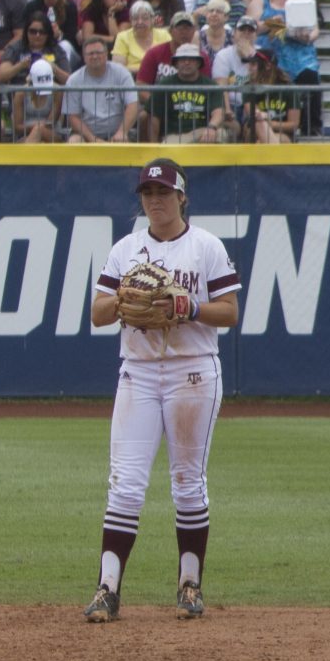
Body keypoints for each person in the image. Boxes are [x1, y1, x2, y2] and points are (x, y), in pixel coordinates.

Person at [84, 159, 241, 623]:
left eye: (164, 192)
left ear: (182, 197)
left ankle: (189, 583)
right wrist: (122, 301)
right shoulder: (126, 249)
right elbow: (97, 312)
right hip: (138, 370)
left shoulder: (206, 246)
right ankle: (107, 589)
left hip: (192, 371)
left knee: (188, 482)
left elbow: (229, 312)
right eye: (148, 192)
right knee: (126, 484)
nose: (155, 200)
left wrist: (189, 305)